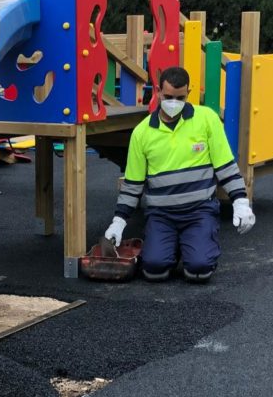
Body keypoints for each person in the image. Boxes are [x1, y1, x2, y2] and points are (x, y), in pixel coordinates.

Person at [104, 66, 256, 282]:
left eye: (180, 97)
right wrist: (118, 221)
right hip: (161, 215)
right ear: (157, 92)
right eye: (167, 97)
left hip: (199, 211)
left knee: (199, 270)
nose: (173, 102)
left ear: (189, 93)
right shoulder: (142, 132)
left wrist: (240, 202)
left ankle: (195, 246)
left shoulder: (207, 119)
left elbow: (225, 166)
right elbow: (133, 184)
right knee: (154, 271)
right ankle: (173, 248)